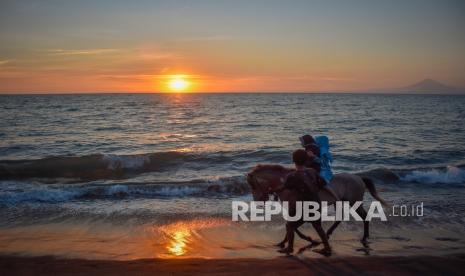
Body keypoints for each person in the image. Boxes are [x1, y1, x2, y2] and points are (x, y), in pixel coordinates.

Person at [276, 149, 332, 256]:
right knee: (318, 227)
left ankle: (290, 248)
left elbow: (285, 188)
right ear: (306, 160)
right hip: (315, 204)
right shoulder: (312, 171)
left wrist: (275, 188)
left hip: (301, 206)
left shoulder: (292, 176)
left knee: (290, 226)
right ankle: (327, 248)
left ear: (293, 161)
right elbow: (323, 183)